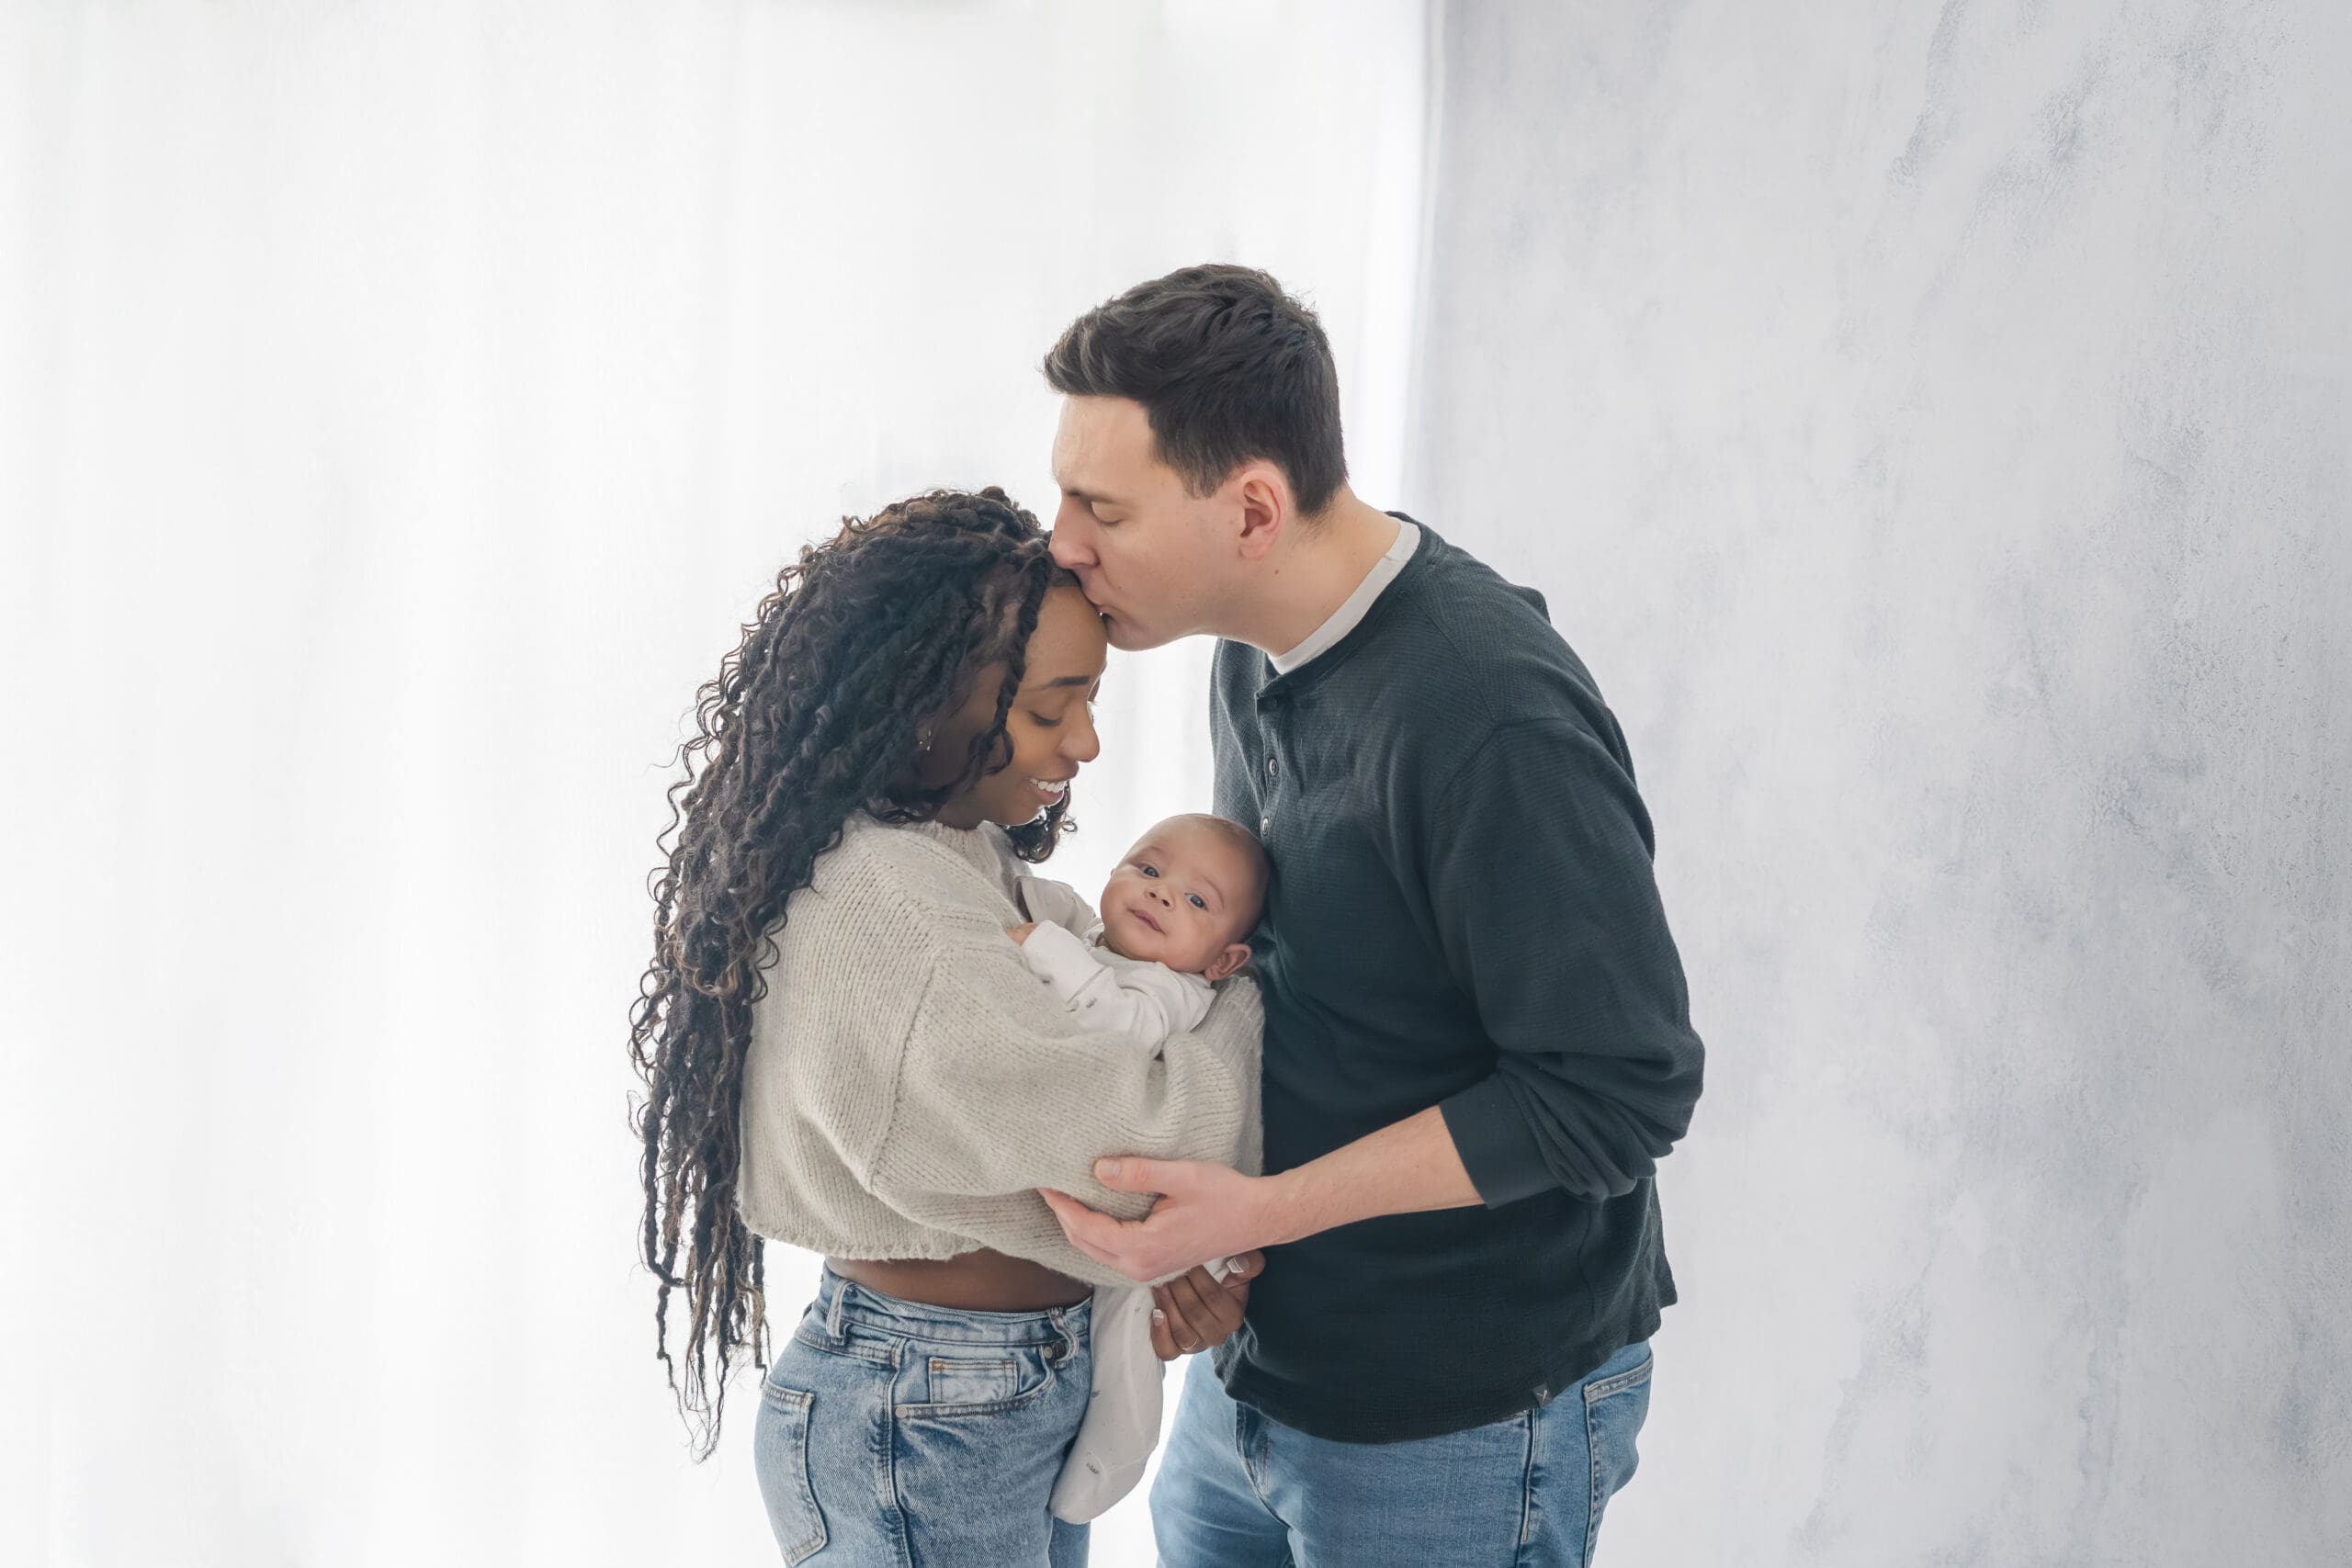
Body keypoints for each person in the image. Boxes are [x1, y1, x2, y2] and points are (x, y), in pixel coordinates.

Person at [1034, 265, 1708, 1566]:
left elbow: (1618, 1094)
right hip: (1262, 1373)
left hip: (1455, 1419)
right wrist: (1208, 1237)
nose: (1064, 540)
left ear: (1251, 509)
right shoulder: (1252, 635)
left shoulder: (1489, 715)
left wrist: (1257, 1208)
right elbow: (1290, 980)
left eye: (1100, 506)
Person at [628, 487, 1269, 1567]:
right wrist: (1238, 994)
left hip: (976, 1390)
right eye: (1050, 706)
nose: (1088, 741)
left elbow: (1095, 970)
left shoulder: (945, 853)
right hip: (927, 1410)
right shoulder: (892, 915)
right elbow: (1151, 1148)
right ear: (927, 707)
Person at [1003, 815, 1272, 1521]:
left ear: (1223, 961)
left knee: (1128, 1329)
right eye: (1147, 871)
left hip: (1176, 1221)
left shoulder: (1175, 990)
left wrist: (1047, 949)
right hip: (1114, 1217)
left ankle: (1116, 1451)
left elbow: (1117, 1031)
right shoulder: (1101, 949)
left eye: (1196, 901)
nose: (1160, 896)